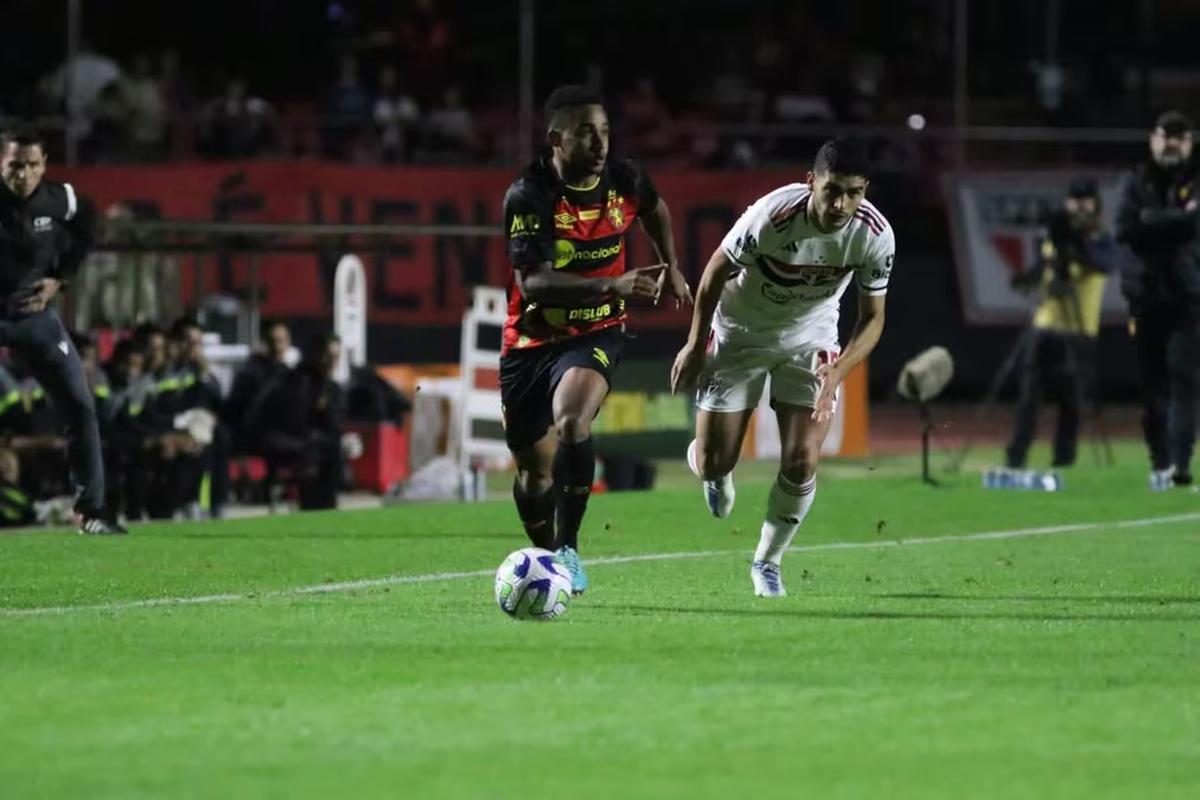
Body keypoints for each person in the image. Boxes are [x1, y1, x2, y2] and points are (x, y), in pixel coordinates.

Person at [670, 138, 894, 597]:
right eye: (832, 190)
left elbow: (872, 320)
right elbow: (714, 272)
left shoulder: (874, 235)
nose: (841, 203)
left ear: (865, 189)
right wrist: (695, 344)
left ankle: (767, 562)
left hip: (809, 340)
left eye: (853, 192)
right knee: (716, 460)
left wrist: (838, 371)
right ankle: (713, 471)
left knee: (802, 457)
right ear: (811, 182)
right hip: (739, 333)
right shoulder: (772, 217)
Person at [499, 85, 691, 594]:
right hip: (532, 339)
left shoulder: (625, 179)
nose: (600, 142)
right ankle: (542, 552)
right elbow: (532, 282)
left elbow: (657, 207)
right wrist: (611, 280)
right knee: (532, 474)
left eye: (604, 130)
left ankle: (568, 549)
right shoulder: (530, 193)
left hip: (600, 327)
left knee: (572, 419)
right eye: (587, 132)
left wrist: (671, 265)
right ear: (557, 139)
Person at [0, 127, 124, 533]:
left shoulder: (61, 200)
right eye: (15, 165)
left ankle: (91, 511)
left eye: (32, 165)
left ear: (44, 165)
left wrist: (59, 277)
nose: (24, 174)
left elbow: (88, 225)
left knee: (80, 406)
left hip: (34, 319)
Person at [1005, 178, 1126, 470]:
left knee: (1071, 403)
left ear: (1095, 206)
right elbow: (1041, 270)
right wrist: (1025, 278)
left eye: (1086, 201)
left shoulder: (1102, 238)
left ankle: (1064, 459)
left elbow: (1105, 264)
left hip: (1079, 331)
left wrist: (1076, 247)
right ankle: (1016, 458)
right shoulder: (1056, 237)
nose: (1080, 207)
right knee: (1028, 398)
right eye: (1075, 200)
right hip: (1045, 326)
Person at [1115, 110, 1200, 489]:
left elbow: (1192, 225)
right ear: (1153, 139)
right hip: (1145, 296)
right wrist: (1175, 220)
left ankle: (1180, 465)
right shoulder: (1135, 180)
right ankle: (1160, 462)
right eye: (1166, 135)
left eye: (1180, 137)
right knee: (1152, 387)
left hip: (1188, 295)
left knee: (1184, 381)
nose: (1172, 143)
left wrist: (1151, 220)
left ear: (1190, 142)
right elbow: (1125, 228)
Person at [246, 333, 346, 510]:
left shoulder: (332, 388)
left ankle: (326, 506)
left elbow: (334, 424)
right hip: (286, 440)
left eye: (335, 357)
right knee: (318, 450)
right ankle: (311, 504)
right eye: (327, 355)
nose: (331, 361)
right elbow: (294, 420)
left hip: (314, 444)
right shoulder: (298, 381)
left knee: (333, 448)